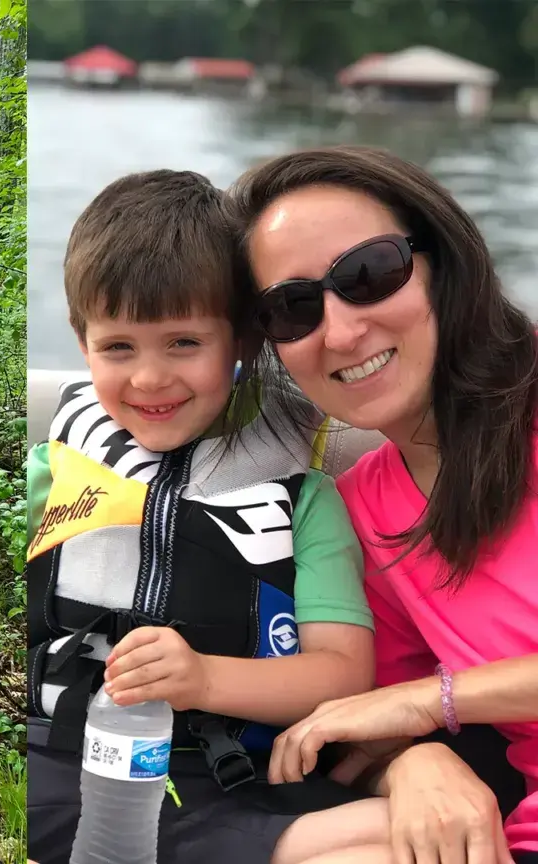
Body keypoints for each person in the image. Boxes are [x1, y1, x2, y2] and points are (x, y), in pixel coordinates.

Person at [24, 169, 397, 864]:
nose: (149, 379)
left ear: (244, 343)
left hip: (224, 783)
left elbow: (344, 676)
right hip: (54, 763)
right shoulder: (48, 476)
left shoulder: (303, 500)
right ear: (83, 343)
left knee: (402, 841)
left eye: (184, 344)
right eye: (119, 348)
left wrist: (203, 680)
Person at [234, 144, 538, 864]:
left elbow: (412, 702)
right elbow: (367, 723)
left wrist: (431, 701)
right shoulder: (363, 510)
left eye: (368, 274)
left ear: (443, 266)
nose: (339, 331)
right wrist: (413, 761)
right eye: (292, 308)